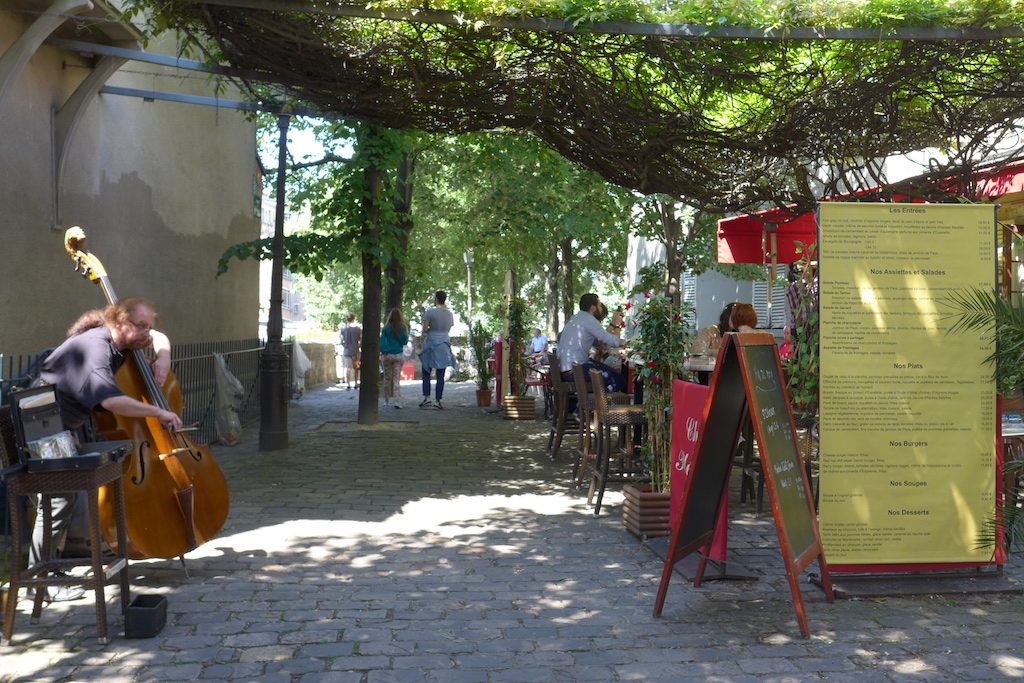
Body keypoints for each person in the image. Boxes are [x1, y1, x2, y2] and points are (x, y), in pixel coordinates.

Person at [32, 297, 182, 602]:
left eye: (148, 326)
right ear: (119, 321)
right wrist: (159, 412)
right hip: (41, 421)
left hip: (64, 421)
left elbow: (159, 338)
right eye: (141, 326)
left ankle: (48, 570)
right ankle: (39, 581)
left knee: (66, 496)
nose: (146, 333)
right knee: (58, 498)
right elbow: (110, 402)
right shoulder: (95, 347)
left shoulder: (122, 340)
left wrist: (164, 357)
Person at [558, 293, 625, 394]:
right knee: (619, 380)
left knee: (608, 371)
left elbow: (600, 340)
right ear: (593, 308)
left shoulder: (576, 318)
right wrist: (616, 325)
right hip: (575, 371)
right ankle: (598, 404)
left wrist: (612, 325)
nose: (601, 308)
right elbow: (613, 342)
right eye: (599, 305)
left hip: (569, 369)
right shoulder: (589, 319)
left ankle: (590, 403)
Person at [419, 290, 457, 409]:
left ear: (436, 299)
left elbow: (425, 329)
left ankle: (426, 398)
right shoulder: (449, 314)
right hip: (444, 344)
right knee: (441, 373)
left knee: (426, 371)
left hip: (431, 343)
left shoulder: (430, 312)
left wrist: (430, 330)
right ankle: (438, 400)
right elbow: (448, 329)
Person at [380, 308, 409, 409]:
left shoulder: (385, 328)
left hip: (387, 355)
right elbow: (404, 341)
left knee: (387, 378)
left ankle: (386, 400)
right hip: (398, 355)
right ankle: (397, 401)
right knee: (396, 379)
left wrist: (385, 350)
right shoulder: (402, 327)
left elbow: (382, 342)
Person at [338, 313, 362, 390]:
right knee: (356, 368)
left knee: (348, 368)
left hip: (347, 350)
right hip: (355, 350)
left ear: (346, 319)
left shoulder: (343, 329)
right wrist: (358, 346)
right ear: (354, 318)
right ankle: (355, 383)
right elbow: (360, 340)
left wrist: (344, 345)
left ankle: (348, 384)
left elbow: (341, 340)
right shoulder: (358, 329)